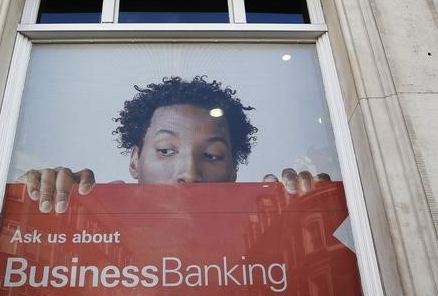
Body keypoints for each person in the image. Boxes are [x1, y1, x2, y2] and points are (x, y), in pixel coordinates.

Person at [18, 76, 330, 213]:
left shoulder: (260, 223)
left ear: (234, 171)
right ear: (134, 161)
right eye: (166, 150)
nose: (189, 174)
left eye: (212, 155)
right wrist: (33, 198)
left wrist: (307, 213)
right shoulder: (92, 218)